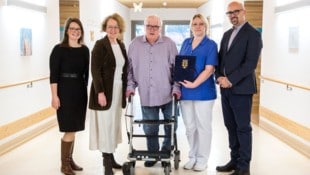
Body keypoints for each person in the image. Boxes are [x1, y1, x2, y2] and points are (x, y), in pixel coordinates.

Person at [215, 2, 263, 175]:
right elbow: (220, 59)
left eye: (236, 11)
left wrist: (231, 80)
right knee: (230, 126)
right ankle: (234, 160)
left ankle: (244, 167)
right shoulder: (227, 34)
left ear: (244, 12)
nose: (233, 15)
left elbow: (250, 64)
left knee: (243, 127)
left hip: (241, 89)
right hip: (225, 89)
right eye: (230, 13)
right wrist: (219, 77)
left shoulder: (253, 34)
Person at [126, 15, 180, 167]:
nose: (152, 29)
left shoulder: (169, 44)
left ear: (160, 28)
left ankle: (165, 152)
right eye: (149, 26)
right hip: (147, 96)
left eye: (155, 27)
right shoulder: (134, 44)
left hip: (168, 94)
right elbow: (129, 71)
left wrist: (176, 88)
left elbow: (177, 70)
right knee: (150, 127)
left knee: (171, 126)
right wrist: (130, 87)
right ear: (144, 26)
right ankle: (153, 154)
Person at [88, 13, 128, 175]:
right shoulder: (100, 45)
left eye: (115, 27)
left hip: (118, 92)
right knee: (105, 126)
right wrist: (100, 92)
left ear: (120, 29)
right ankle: (106, 163)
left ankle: (111, 158)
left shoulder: (121, 45)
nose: (112, 29)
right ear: (105, 28)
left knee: (113, 125)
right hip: (105, 91)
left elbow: (124, 70)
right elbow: (95, 70)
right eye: (109, 26)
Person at [178, 14, 218, 171]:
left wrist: (194, 84)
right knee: (190, 127)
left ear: (206, 26)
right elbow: (181, 65)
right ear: (191, 26)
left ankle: (202, 159)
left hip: (203, 93)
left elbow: (209, 69)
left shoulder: (211, 45)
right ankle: (192, 156)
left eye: (201, 23)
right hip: (186, 92)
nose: (198, 26)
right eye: (195, 23)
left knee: (203, 126)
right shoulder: (186, 43)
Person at [49, 17, 89, 175]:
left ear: (81, 32)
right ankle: (64, 165)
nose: (75, 32)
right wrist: (54, 96)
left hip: (79, 91)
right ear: (66, 31)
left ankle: (70, 160)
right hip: (64, 91)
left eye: (78, 29)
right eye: (72, 29)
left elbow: (86, 74)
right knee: (69, 128)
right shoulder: (58, 49)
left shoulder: (84, 50)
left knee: (75, 128)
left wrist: (84, 90)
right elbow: (53, 75)